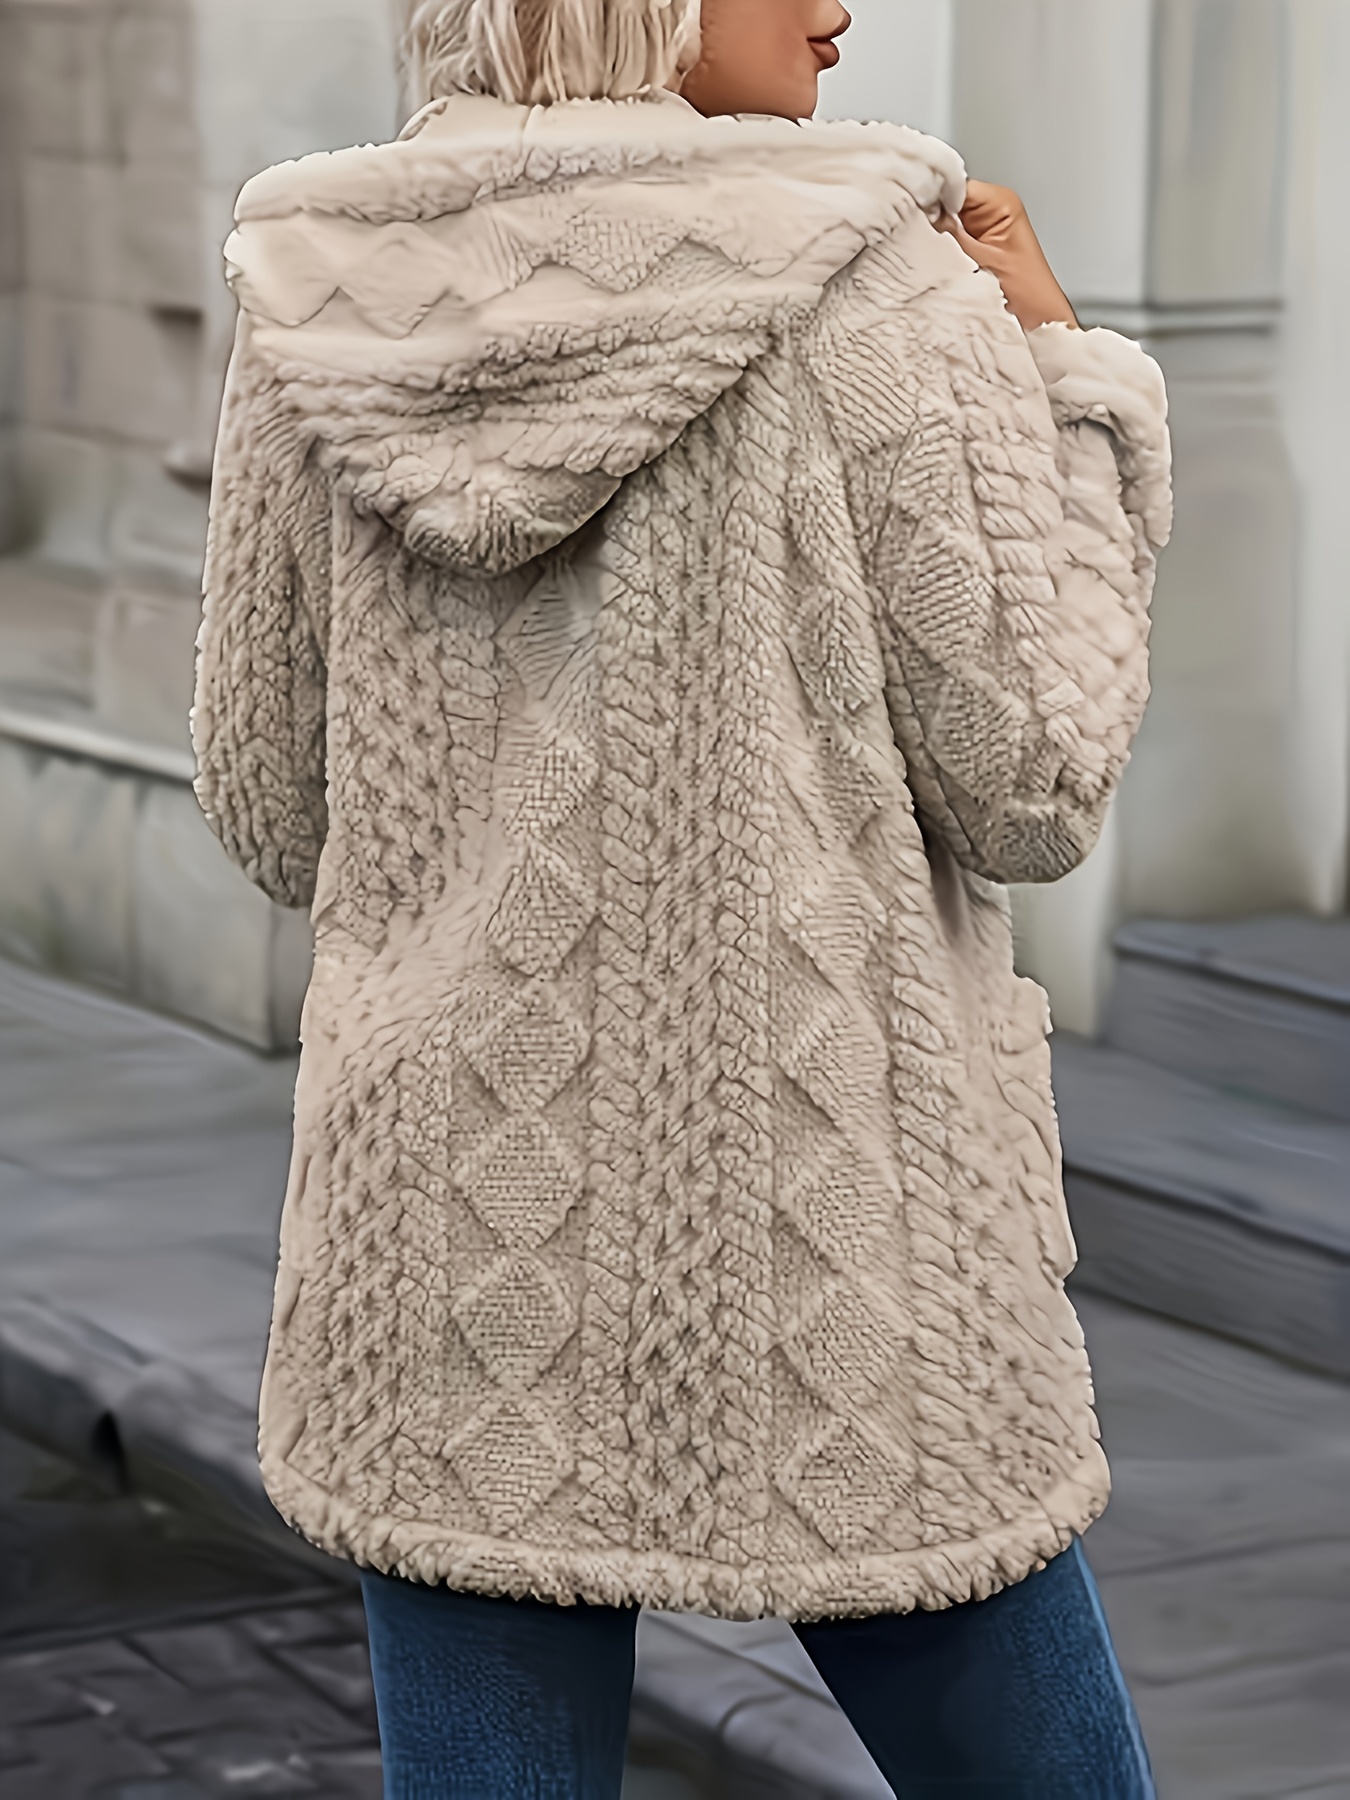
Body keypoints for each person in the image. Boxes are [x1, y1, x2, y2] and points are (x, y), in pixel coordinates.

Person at [193, 0, 1170, 1792]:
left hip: (443, 1246)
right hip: (842, 1242)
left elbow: (268, 805)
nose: (836, 11)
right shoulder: (883, 290)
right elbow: (1032, 785)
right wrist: (1074, 386)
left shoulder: (317, 290)